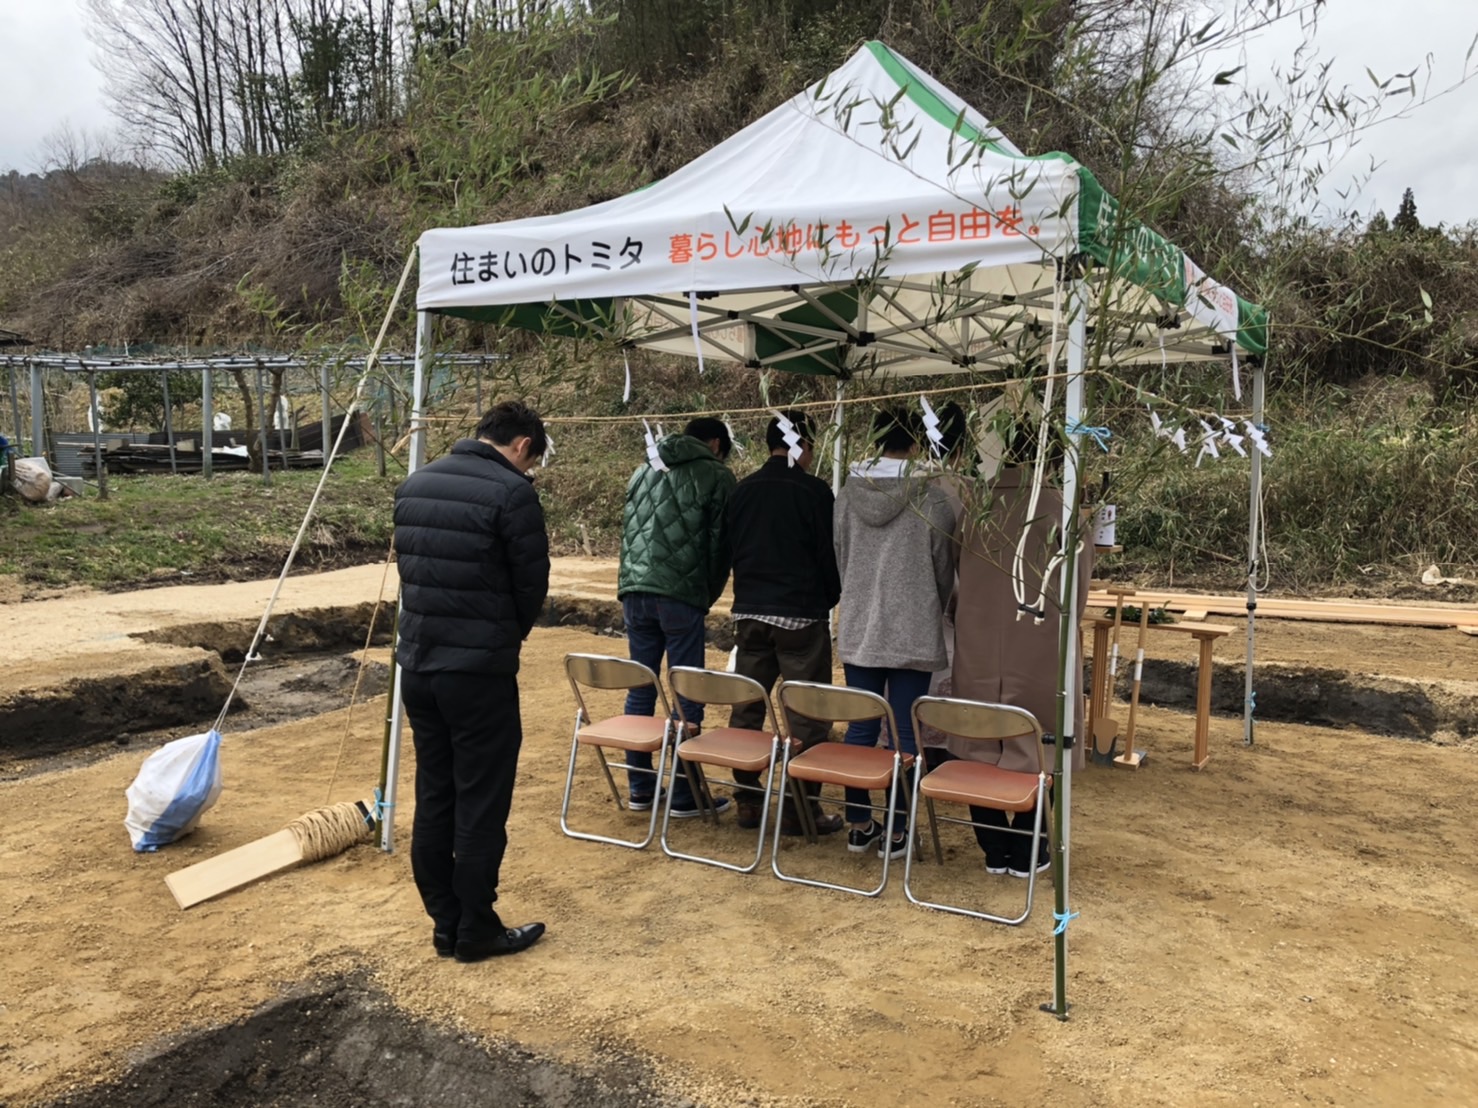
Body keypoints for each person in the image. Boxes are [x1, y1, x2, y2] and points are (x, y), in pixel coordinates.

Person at [393, 400, 551, 963]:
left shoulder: (416, 482)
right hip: (477, 674)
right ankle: (477, 928)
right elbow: (531, 587)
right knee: (481, 802)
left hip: (419, 667)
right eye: (533, 460)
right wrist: (503, 636)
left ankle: (446, 922)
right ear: (523, 446)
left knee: (435, 795)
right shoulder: (513, 493)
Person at [938, 423, 1090, 878]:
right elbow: (1076, 594)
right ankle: (1030, 847)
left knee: (977, 739)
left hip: (979, 642)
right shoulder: (1065, 509)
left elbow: (956, 575)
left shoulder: (975, 503)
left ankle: (993, 847)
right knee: (1040, 741)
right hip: (1041, 642)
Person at [834, 408, 958, 860]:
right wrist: (928, 602)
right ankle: (900, 831)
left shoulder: (847, 494)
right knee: (906, 735)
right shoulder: (933, 499)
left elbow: (841, 555)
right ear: (916, 443)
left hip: (860, 623)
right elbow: (944, 568)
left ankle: (858, 824)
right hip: (913, 627)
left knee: (861, 729)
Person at [725, 410, 844, 836]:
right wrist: (830, 598)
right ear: (804, 445)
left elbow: (730, 549)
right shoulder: (814, 492)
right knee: (807, 715)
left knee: (747, 707)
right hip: (800, 617)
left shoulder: (742, 491)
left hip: (750, 613)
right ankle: (800, 809)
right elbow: (828, 557)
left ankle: (747, 802)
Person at [617, 417, 737, 816]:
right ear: (716, 443)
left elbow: (629, 528)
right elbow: (721, 543)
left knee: (641, 685)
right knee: (687, 690)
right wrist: (707, 592)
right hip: (680, 594)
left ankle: (640, 787)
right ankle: (686, 794)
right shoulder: (716, 475)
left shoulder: (642, 468)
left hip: (634, 588)